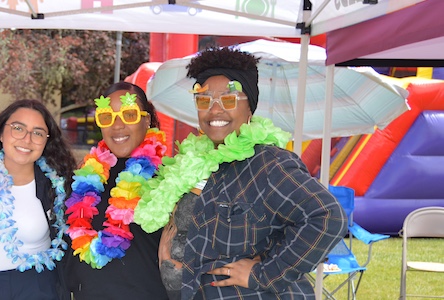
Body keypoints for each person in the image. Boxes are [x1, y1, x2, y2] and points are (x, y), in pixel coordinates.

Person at [134, 46, 348, 299]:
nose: (215, 110)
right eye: (204, 99)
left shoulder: (268, 164)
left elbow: (327, 216)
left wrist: (265, 274)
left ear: (249, 108)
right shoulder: (194, 164)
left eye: (229, 98)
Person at [0, 99, 76, 300]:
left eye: (38, 133)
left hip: (37, 288)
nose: (27, 139)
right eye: (18, 128)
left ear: (46, 141)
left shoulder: (56, 186)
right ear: (1, 133)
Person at [65, 81, 169, 299]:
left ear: (146, 120)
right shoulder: (85, 178)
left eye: (129, 115)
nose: (117, 125)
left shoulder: (168, 175)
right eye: (107, 117)